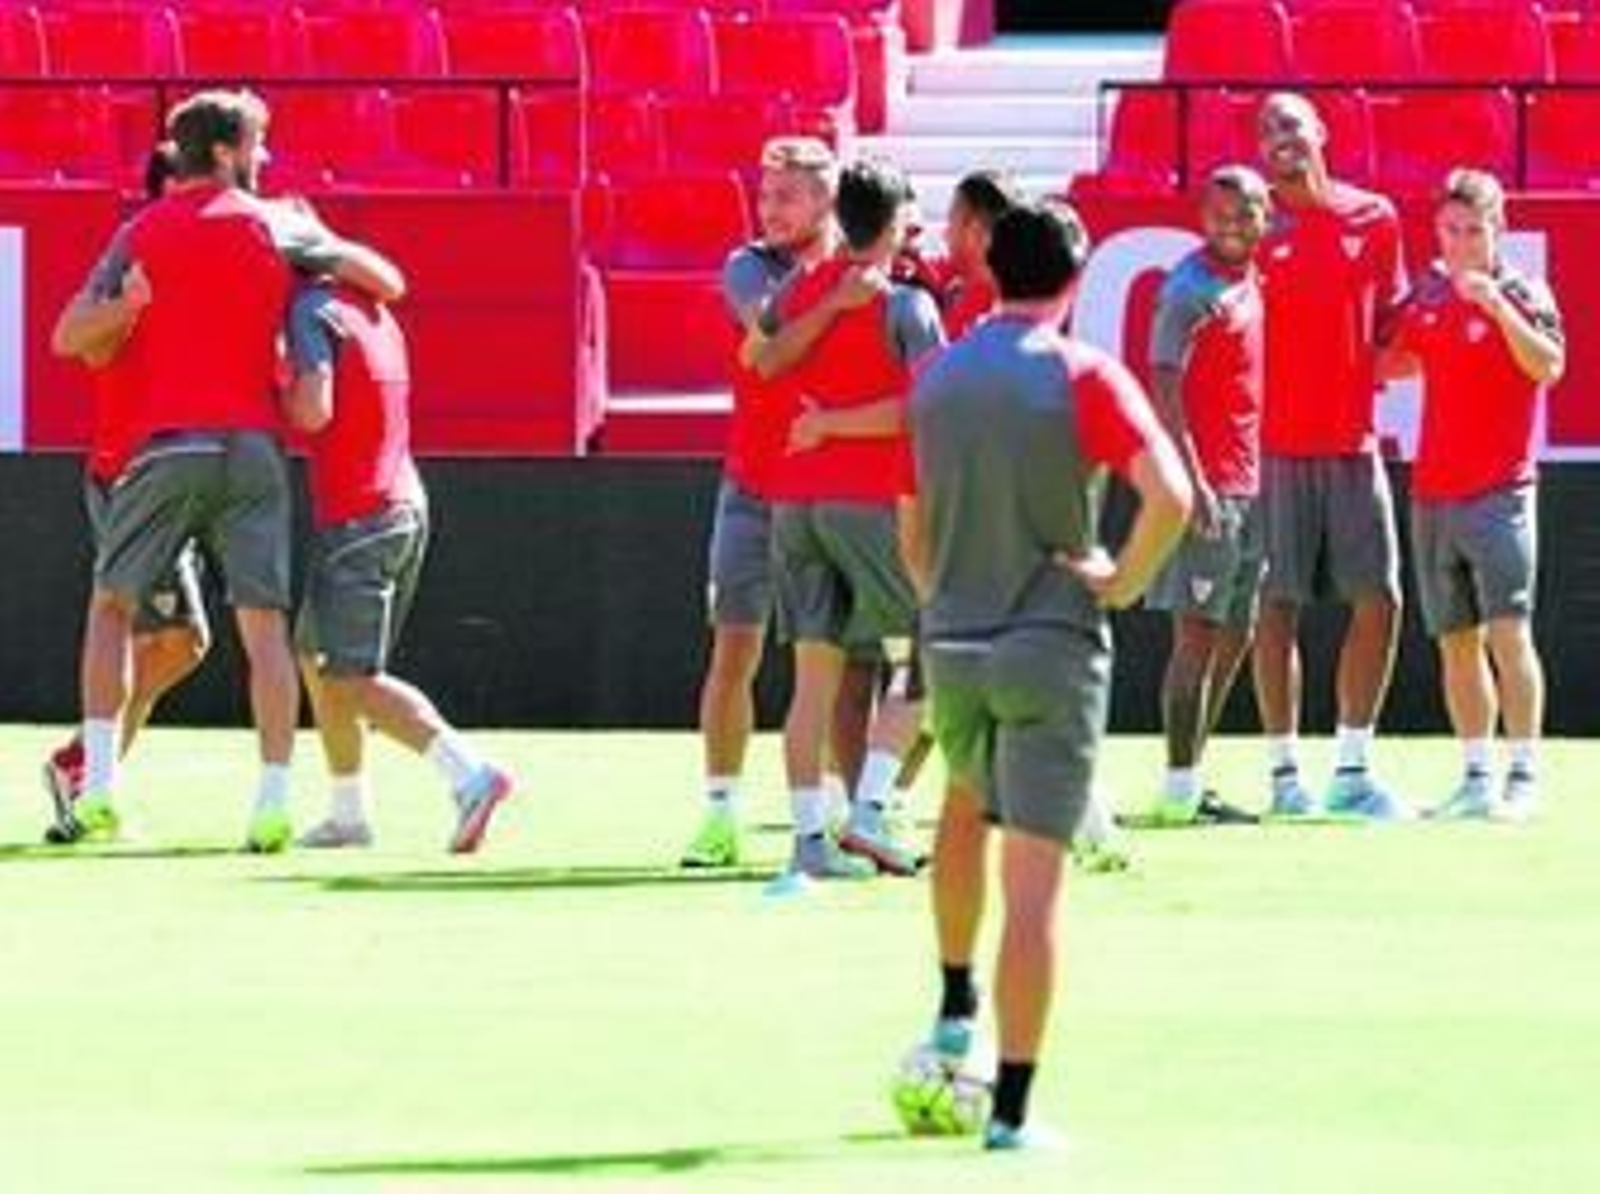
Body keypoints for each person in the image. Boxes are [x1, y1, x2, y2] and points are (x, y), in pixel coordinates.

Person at [902, 200, 1190, 1148]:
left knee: (958, 807)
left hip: (953, 636)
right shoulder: (1081, 374)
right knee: (1035, 883)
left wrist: (940, 595)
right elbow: (1172, 497)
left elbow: (909, 522)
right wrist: (1121, 580)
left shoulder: (937, 376)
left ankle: (954, 1005)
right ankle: (1013, 1112)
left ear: (990, 268)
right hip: (1049, 642)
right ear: (1075, 281)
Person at [52, 88, 400, 851]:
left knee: (111, 608)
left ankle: (100, 785)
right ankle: (272, 802)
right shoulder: (280, 225)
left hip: (168, 446)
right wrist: (319, 266)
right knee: (264, 628)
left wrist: (129, 306)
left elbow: (67, 335)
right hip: (253, 449)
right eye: (257, 143)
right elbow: (386, 279)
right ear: (225, 151)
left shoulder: (140, 231)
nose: (265, 157)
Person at [753, 157, 946, 880]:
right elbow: (929, 407)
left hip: (794, 501)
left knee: (813, 681)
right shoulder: (907, 306)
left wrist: (820, 423)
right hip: (871, 503)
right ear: (894, 224)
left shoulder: (798, 288)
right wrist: (837, 424)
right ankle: (870, 813)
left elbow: (764, 360)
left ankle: (810, 840)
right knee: (929, 655)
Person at [284, 278, 514, 851]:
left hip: (360, 514)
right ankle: (348, 814)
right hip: (398, 505)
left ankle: (470, 775)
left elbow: (313, 411)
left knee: (352, 677)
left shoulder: (309, 312)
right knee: (314, 656)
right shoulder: (369, 307)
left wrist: (265, 392)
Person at [681, 137, 849, 869]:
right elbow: (769, 337)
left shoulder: (863, 270)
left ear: (826, 200)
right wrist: (835, 296)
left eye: (787, 195)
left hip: (829, 489)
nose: (770, 209)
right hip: (751, 486)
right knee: (734, 649)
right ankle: (719, 814)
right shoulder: (748, 265)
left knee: (838, 661)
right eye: (766, 194)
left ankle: (846, 810)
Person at [1380, 169, 1562, 821]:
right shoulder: (1428, 292)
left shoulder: (1523, 290)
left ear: (1498, 230)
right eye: (1451, 230)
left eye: (1474, 230)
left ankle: (1523, 776)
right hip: (1433, 492)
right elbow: (1390, 363)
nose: (1461, 242)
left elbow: (1548, 365)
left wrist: (1496, 307)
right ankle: (1477, 776)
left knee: (1510, 635)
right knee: (1455, 640)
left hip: (1501, 492)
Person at [43, 142, 212, 843]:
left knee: (181, 641)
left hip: (177, 461)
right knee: (167, 634)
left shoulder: (197, 258)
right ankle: (86, 769)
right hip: (132, 469)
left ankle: (87, 766)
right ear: (169, 187)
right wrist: (130, 306)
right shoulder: (134, 255)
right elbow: (79, 341)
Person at [1252, 92, 1410, 820]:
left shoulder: (1375, 217)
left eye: (1289, 123)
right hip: (1273, 450)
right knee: (1276, 605)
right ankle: (1285, 777)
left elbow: (1396, 333)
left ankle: (1351, 768)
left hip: (1353, 443)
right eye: (1265, 130)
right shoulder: (1251, 228)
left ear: (1321, 131)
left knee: (1380, 599)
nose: (1278, 137)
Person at [1143, 165, 1271, 825]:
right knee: (1194, 638)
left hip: (1247, 482)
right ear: (1202, 216)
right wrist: (1191, 482)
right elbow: (1163, 382)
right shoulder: (1189, 289)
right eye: (1222, 211)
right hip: (1208, 485)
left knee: (1236, 629)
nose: (1233, 222)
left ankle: (1192, 776)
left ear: (1265, 216)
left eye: (1246, 211)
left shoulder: (1250, 281)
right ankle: (1179, 789)